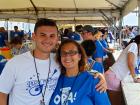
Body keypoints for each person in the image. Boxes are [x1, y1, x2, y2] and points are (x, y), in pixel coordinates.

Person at [0, 18, 107, 105]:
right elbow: (2, 94)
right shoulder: (15, 63)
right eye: (43, 35)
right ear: (34, 36)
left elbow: (79, 69)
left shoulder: (58, 60)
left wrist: (99, 76)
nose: (47, 40)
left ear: (57, 38)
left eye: (52, 36)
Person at [49, 39, 110, 105]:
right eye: (63, 53)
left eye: (72, 52)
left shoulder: (93, 80)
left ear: (79, 56)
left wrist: (99, 75)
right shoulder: (55, 79)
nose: (67, 56)